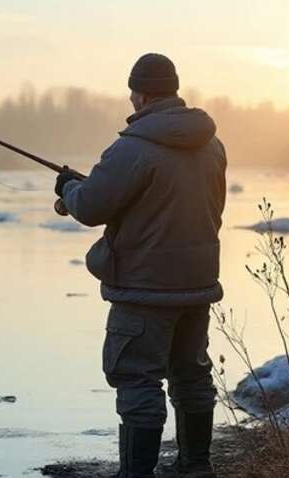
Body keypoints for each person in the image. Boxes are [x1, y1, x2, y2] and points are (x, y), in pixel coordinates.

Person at [54, 53, 226, 478]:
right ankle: (196, 466)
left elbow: (91, 206)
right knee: (192, 376)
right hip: (197, 285)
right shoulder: (213, 146)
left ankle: (137, 473)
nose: (132, 99)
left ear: (142, 93)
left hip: (144, 289)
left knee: (136, 379)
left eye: (133, 91)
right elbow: (209, 209)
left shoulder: (132, 149)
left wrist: (69, 187)